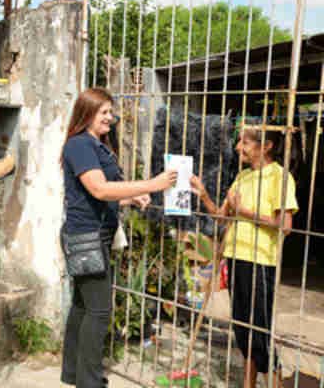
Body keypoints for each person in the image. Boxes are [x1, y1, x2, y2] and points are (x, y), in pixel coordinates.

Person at [60, 88, 178, 388]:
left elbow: (96, 196)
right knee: (99, 311)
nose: (111, 119)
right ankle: (89, 381)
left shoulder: (94, 145)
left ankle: (73, 373)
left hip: (92, 233)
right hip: (87, 237)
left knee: (82, 306)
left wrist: (131, 198)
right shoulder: (79, 145)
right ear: (87, 113)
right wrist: (151, 184)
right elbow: (99, 189)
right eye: (105, 113)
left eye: (111, 113)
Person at [190, 122, 299, 388]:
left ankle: (276, 383)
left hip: (260, 261)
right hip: (236, 257)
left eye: (246, 142)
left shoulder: (279, 177)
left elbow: (285, 226)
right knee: (242, 329)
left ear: (267, 146)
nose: (238, 147)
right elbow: (221, 217)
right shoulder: (242, 177)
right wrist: (204, 195)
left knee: (259, 332)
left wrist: (246, 213)